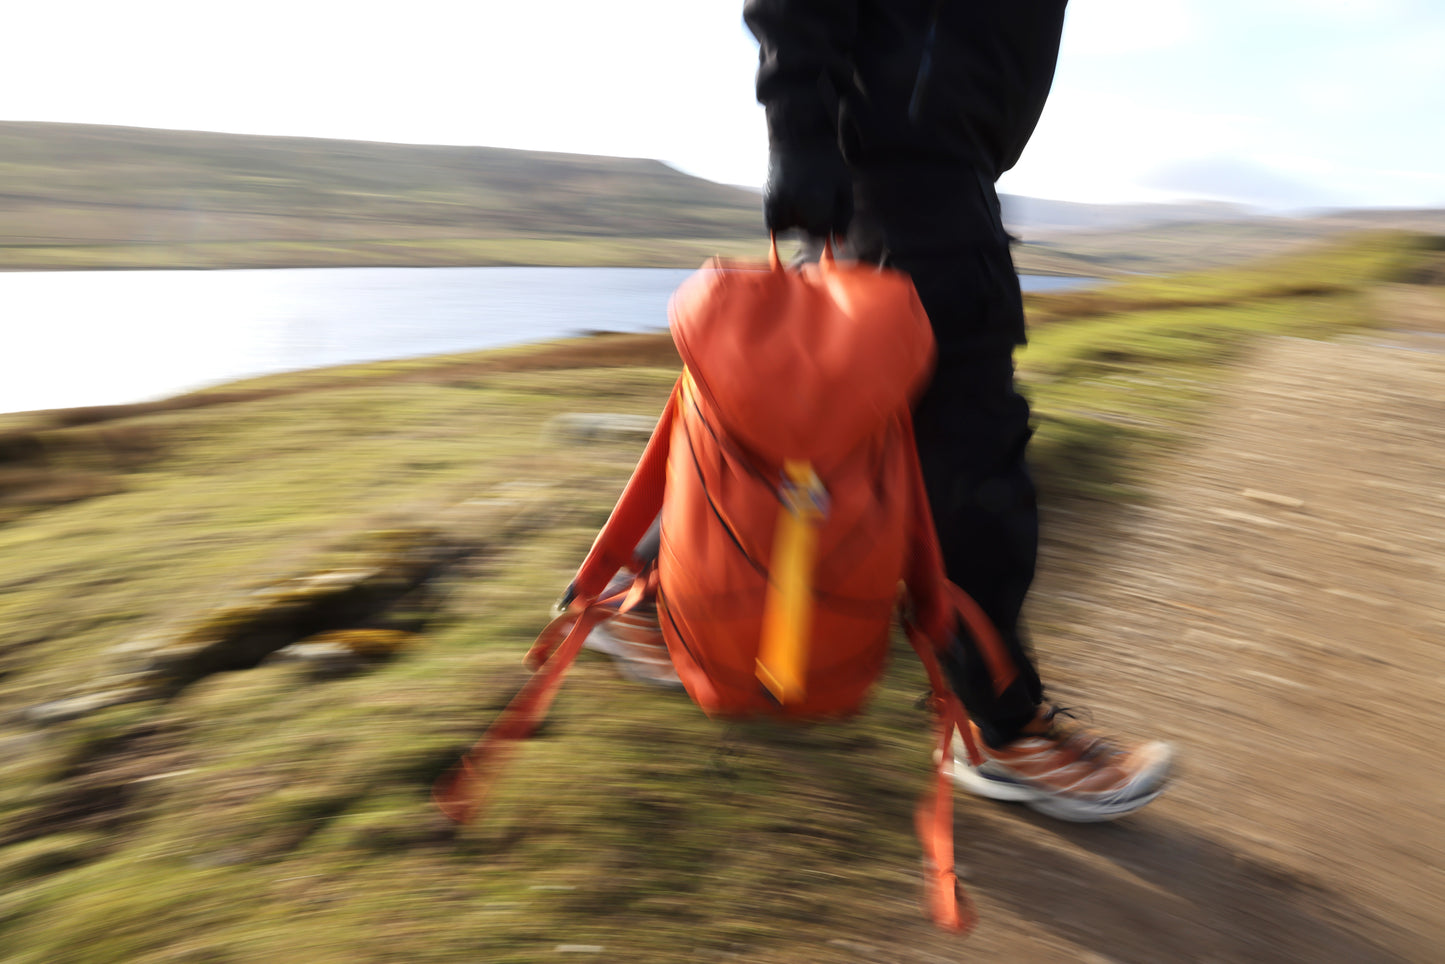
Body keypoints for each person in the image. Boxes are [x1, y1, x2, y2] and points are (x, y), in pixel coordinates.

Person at [742, 0, 1174, 821]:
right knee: (970, 462)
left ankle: (653, 594)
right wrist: (798, 132)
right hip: (907, 180)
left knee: (839, 441)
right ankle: (1003, 733)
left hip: (937, 172)